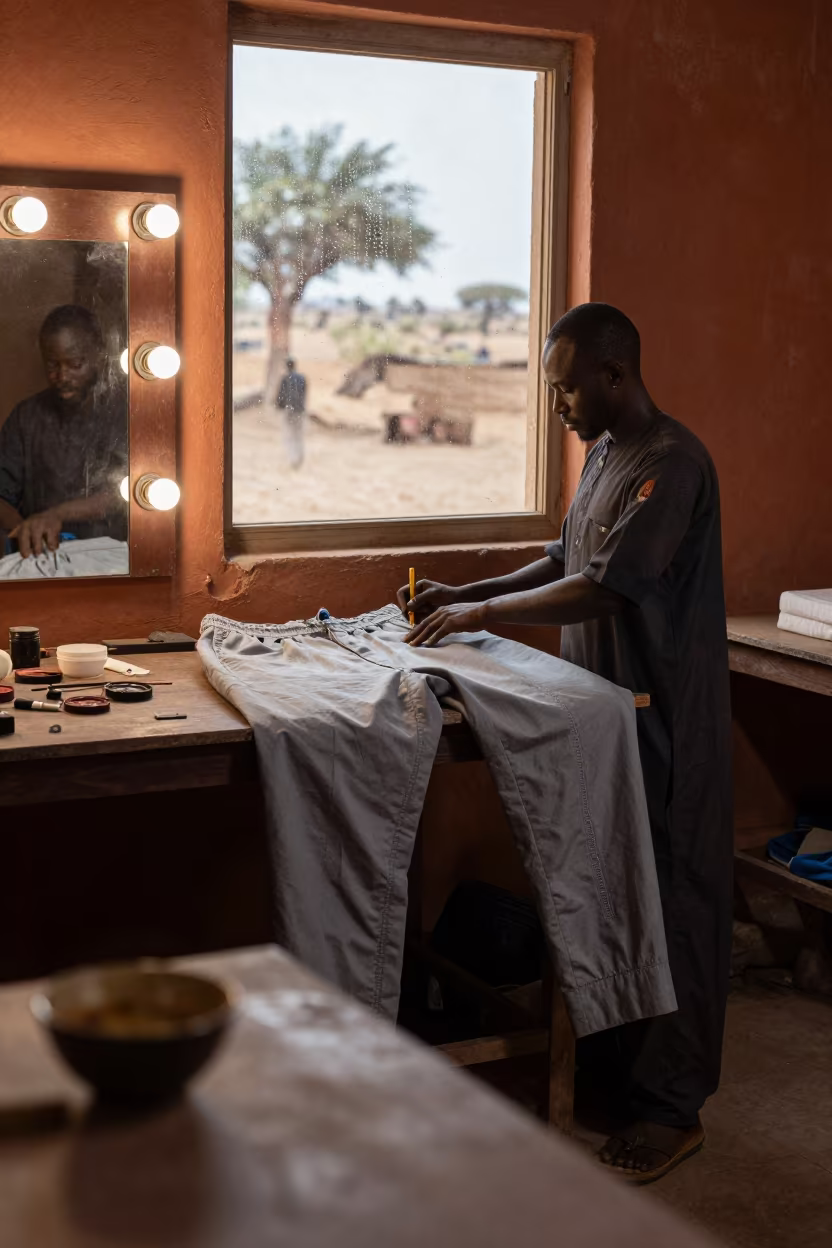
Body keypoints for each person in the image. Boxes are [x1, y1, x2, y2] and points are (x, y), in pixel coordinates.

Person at [398, 303, 733, 1185]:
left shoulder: (673, 464)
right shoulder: (607, 455)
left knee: (675, 905)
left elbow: (608, 588)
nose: (557, 407)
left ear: (615, 376)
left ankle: (672, 1110)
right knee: (613, 892)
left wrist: (480, 614)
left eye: (566, 390)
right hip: (609, 716)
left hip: (667, 722)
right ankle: (621, 1072)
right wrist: (462, 592)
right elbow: (564, 557)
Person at [0, 305, 127, 558]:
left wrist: (55, 515)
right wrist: (29, 531)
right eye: (52, 365)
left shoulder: (126, 413)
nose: (62, 376)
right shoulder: (26, 416)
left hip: (113, 557)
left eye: (75, 364)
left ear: (100, 354)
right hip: (39, 555)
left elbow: (128, 493)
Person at [276, 357, 307, 470]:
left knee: (290, 435)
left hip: (289, 410)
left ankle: (293, 459)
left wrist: (279, 407)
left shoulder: (285, 379)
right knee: (298, 435)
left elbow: (281, 395)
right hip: (300, 410)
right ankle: (300, 456)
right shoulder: (302, 378)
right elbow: (304, 394)